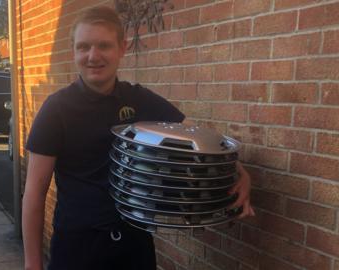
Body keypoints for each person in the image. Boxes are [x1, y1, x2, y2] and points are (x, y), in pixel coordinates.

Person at [22, 6, 255, 270]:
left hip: (135, 241)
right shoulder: (56, 109)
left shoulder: (139, 99)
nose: (93, 56)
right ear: (73, 50)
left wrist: (240, 172)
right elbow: (34, 194)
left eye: (104, 46)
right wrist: (33, 264)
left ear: (122, 48)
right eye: (83, 46)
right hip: (78, 246)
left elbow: (198, 139)